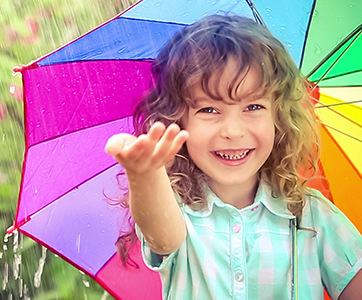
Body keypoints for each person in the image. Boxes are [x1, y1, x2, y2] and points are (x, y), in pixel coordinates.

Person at [104, 15, 362, 299]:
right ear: (178, 121)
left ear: (279, 117)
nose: (233, 131)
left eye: (253, 106)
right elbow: (163, 238)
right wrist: (146, 174)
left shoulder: (310, 215)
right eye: (209, 110)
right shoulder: (177, 207)